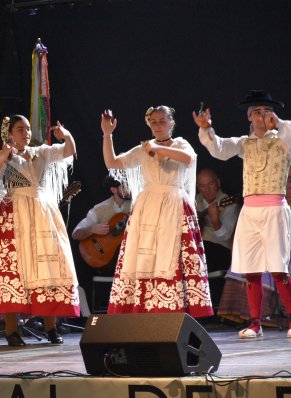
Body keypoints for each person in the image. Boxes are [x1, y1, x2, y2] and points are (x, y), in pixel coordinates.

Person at [0, 114, 80, 347]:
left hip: (42, 213)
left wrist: (65, 135)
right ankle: (11, 330)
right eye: (20, 129)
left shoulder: (41, 153)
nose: (26, 133)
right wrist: (2, 156)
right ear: (9, 134)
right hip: (13, 216)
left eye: (28, 129)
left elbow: (68, 151)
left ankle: (50, 326)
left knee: (47, 267)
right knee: (14, 271)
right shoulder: (4, 159)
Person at [194, 89, 291, 338]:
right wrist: (206, 129)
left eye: (266, 111)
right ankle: (254, 323)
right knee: (250, 269)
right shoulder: (244, 144)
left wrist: (278, 123)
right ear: (249, 116)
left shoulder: (282, 138)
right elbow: (219, 148)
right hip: (250, 211)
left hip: (274, 209)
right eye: (256, 111)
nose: (261, 116)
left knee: (279, 269)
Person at [101, 106, 213, 317]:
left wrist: (157, 150)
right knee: (144, 257)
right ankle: (143, 307)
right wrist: (107, 135)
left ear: (172, 123)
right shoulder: (142, 149)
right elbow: (112, 162)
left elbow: (188, 158)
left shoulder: (180, 144)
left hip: (173, 205)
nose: (158, 125)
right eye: (154, 122)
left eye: (162, 121)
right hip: (148, 207)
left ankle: (173, 307)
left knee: (172, 256)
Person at [72, 174, 132, 313]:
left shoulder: (136, 206)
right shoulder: (99, 209)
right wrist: (92, 229)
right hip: (107, 261)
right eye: (124, 186)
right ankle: (89, 317)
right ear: (113, 190)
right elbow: (76, 234)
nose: (128, 189)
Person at [195, 168, 240, 305]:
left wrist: (215, 221)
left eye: (210, 184)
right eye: (202, 186)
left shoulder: (228, 203)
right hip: (199, 248)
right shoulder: (193, 201)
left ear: (218, 183)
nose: (207, 189)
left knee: (200, 251)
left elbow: (225, 238)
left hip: (219, 251)